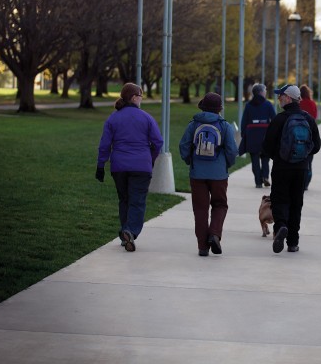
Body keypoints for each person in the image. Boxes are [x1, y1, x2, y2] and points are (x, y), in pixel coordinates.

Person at [96, 83, 163, 252]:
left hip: (119, 166)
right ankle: (130, 231)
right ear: (134, 97)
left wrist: (100, 165)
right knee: (137, 201)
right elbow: (157, 142)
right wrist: (151, 158)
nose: (141, 99)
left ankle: (125, 233)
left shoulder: (113, 118)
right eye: (140, 96)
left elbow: (105, 144)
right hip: (141, 165)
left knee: (124, 199)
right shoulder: (146, 117)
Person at [262, 84, 321, 254]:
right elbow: (316, 146)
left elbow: (267, 146)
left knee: (280, 199)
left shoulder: (279, 119)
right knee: (296, 203)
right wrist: (302, 155)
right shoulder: (308, 119)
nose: (279, 98)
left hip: (281, 167)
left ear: (288, 98)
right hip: (301, 168)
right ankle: (293, 242)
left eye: (281, 96)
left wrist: (278, 157)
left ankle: (281, 226)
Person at [179, 92, 238, 257]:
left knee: (200, 209)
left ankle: (202, 247)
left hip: (197, 174)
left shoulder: (193, 125)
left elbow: (183, 146)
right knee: (220, 205)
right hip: (219, 174)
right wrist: (226, 164)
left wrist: (190, 161)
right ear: (219, 109)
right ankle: (214, 234)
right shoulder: (224, 126)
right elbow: (232, 151)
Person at [239, 83, 276, 188]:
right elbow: (274, 119)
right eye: (264, 91)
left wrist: (243, 134)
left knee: (254, 159)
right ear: (261, 92)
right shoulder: (268, 104)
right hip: (265, 135)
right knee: (265, 158)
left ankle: (258, 182)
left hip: (252, 135)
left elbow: (244, 121)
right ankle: (265, 176)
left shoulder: (249, 105)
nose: (265, 92)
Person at [298, 84, 318, 190]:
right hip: (310, 135)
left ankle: (301, 181)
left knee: (300, 160)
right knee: (309, 161)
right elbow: (315, 117)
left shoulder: (298, 104)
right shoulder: (312, 104)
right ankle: (306, 182)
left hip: (299, 135)